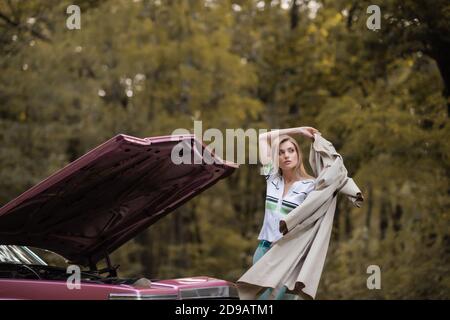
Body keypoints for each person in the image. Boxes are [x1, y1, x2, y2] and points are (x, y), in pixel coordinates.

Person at [253, 126, 319, 300]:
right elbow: (261, 137)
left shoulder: (310, 185)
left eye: (291, 150)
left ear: (298, 154)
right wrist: (298, 131)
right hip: (263, 251)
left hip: (287, 254)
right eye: (281, 152)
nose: (286, 155)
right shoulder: (272, 177)